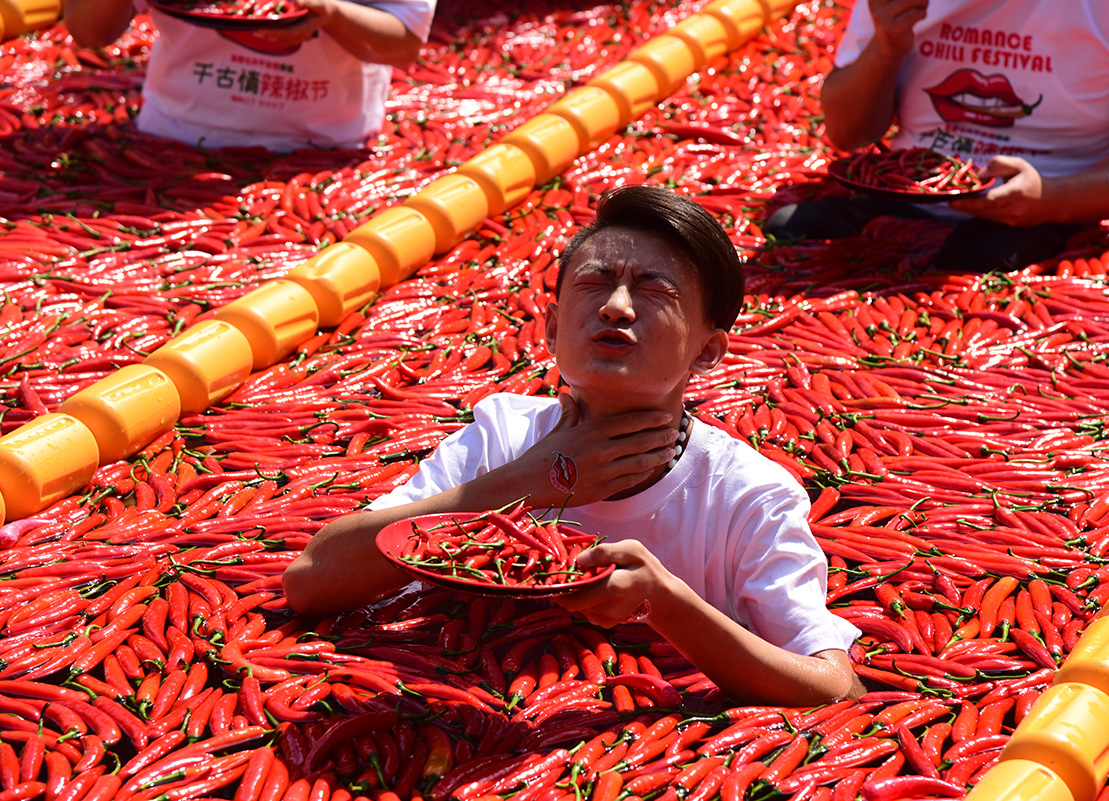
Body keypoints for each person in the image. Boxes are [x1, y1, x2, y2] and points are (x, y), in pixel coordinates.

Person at [283, 185, 862, 706]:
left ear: (708, 351)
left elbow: (834, 686)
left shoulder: (746, 496)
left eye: (653, 290)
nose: (615, 306)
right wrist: (529, 481)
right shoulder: (505, 436)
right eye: (594, 283)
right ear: (554, 327)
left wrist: (664, 601)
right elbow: (311, 580)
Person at [765, 0, 1109, 273]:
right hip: (908, 189)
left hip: (1066, 203)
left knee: (980, 258)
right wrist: (885, 45)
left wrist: (1050, 198)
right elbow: (848, 133)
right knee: (793, 229)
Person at [64, 0, 435, 152]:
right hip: (175, 135)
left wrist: (333, 13)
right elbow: (89, 32)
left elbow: (402, 44)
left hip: (321, 148)